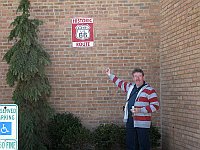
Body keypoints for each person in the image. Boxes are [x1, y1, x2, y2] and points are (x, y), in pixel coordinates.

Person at [105, 67, 159, 150]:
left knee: (143, 145)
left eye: (139, 76)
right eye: (135, 76)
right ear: (133, 78)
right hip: (130, 121)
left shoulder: (150, 90)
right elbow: (120, 83)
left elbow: (155, 106)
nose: (137, 78)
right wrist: (109, 74)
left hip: (142, 122)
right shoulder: (130, 87)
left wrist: (140, 110)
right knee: (131, 145)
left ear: (143, 77)